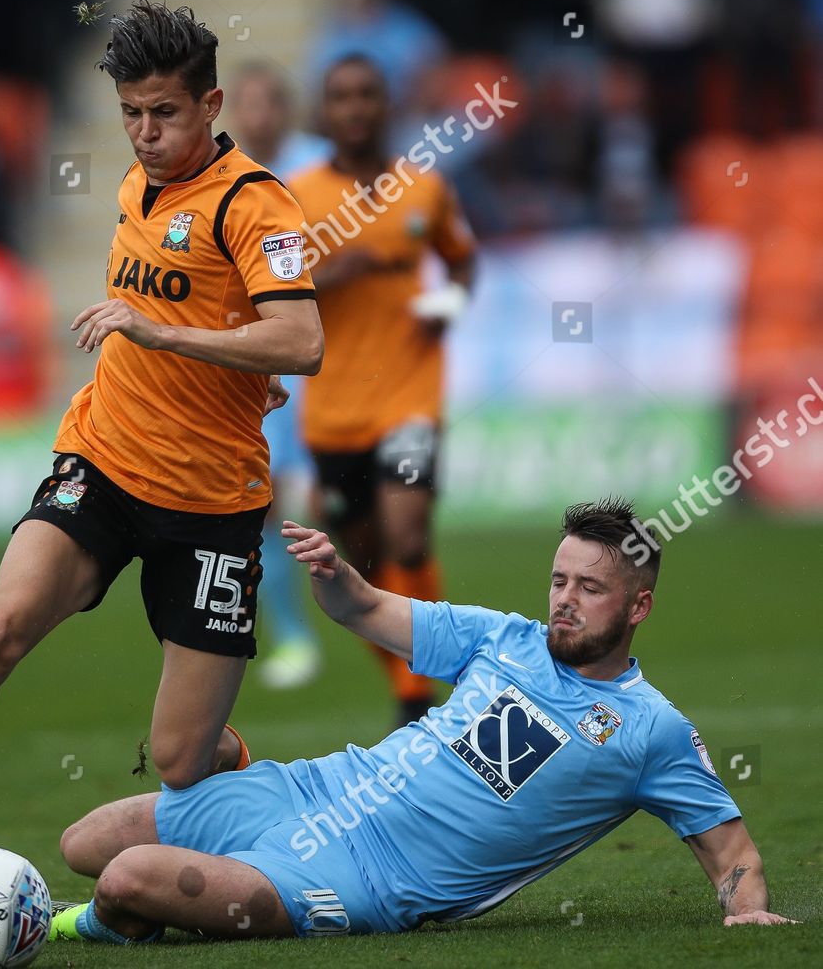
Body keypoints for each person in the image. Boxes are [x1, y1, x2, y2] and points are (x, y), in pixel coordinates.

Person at [0, 0, 323, 926]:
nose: (145, 133)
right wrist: (173, 345)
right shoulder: (134, 186)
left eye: (164, 113)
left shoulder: (255, 203)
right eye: (130, 113)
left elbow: (302, 338)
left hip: (209, 505)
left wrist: (167, 335)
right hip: (102, 463)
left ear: (212, 104)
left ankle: (256, 782)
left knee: (179, 764)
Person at [50, 498, 797, 942]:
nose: (565, 598)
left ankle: (88, 926)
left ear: (638, 607)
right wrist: (337, 577)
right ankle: (231, 777)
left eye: (592, 588)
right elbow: (368, 608)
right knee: (83, 841)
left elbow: (733, 853)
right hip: (317, 791)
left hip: (359, 878)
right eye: (560, 579)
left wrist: (747, 914)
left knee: (125, 878)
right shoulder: (503, 636)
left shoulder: (649, 731)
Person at [275, 54, 477, 721]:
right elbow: (269, 296)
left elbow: (462, 261)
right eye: (342, 97)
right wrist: (334, 272)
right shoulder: (293, 199)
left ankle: (423, 695)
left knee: (408, 534)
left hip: (409, 396)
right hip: (334, 412)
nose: (356, 108)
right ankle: (405, 681)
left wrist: (450, 303)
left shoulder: (425, 189)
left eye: (368, 94)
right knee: (355, 561)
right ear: (324, 112)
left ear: (387, 105)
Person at [223, 61, 332, 690]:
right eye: (248, 104)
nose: (258, 115)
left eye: (269, 103)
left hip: (325, 358)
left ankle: (373, 615)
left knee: (325, 497)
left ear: (286, 109)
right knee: (266, 502)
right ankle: (293, 635)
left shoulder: (319, 167)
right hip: (266, 358)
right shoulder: (226, 177)